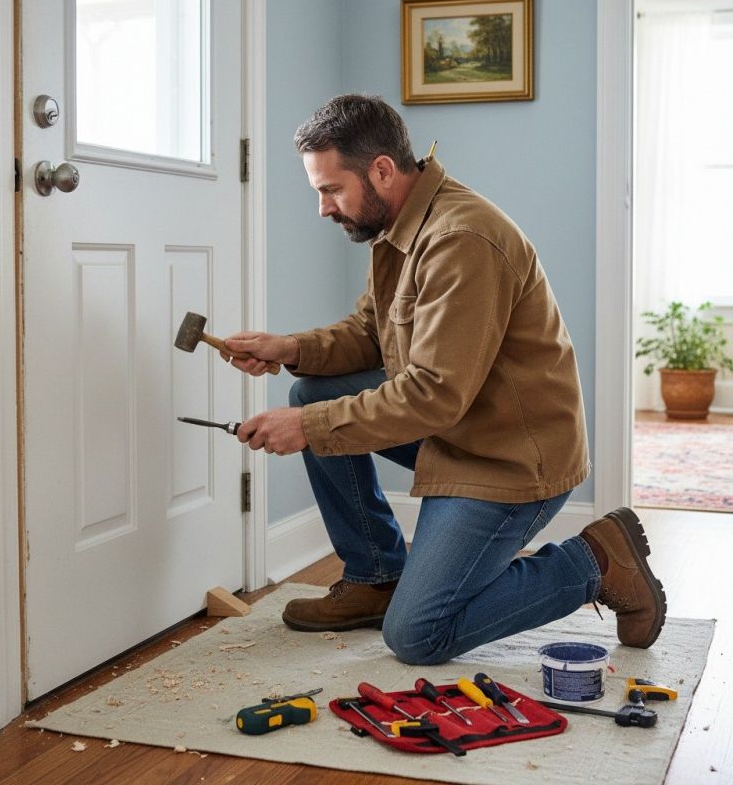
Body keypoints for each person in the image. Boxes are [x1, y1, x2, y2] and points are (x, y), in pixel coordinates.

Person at [223, 94, 666, 665]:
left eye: (330, 190)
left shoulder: (461, 239)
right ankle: (376, 577)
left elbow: (433, 393)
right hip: (460, 432)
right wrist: (289, 348)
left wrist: (309, 427)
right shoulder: (400, 227)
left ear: (382, 169)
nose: (323, 208)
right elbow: (372, 332)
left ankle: (596, 560)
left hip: (507, 458)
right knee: (312, 390)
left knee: (418, 635)